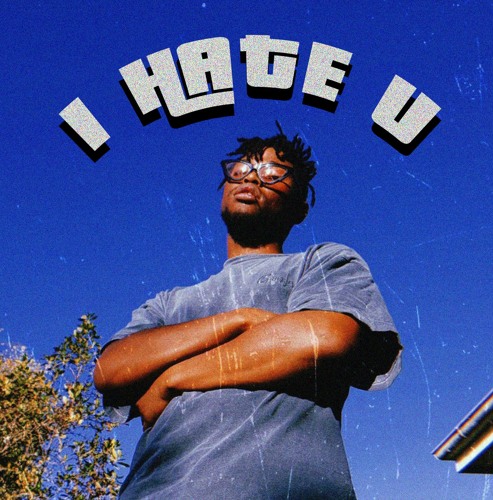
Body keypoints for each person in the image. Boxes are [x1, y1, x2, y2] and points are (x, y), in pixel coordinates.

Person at [94, 124, 402, 499]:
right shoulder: (168, 302)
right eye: (241, 169)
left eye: (273, 174)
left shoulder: (321, 263)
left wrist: (172, 378)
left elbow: (324, 336)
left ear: (301, 208)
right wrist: (238, 320)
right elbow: (110, 370)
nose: (252, 178)